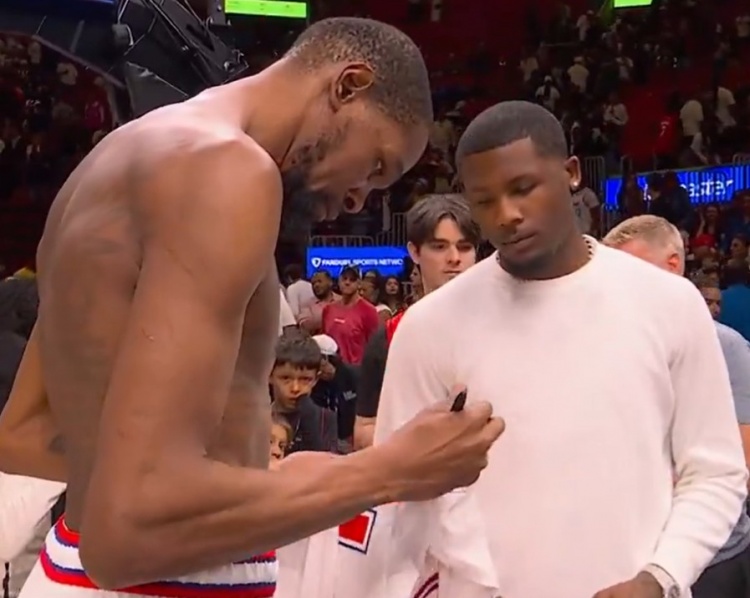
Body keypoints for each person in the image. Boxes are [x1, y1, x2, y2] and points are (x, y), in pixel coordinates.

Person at [0, 18, 503, 598]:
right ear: (348, 85)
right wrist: (388, 472)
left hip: (76, 572)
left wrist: (253, 481)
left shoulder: (120, 155)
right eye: (376, 166)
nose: (359, 199)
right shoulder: (227, 168)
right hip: (160, 584)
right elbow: (129, 531)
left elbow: (26, 431)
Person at [370, 101, 747, 598]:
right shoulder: (429, 327)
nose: (507, 215)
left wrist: (660, 576)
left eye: (523, 188)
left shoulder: (668, 302)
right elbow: (397, 494)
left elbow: (716, 472)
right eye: (485, 201)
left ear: (571, 173)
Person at [603, 214, 750, 598]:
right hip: (633, 558)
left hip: (714, 559)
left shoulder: (725, 346)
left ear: (672, 267)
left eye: (630, 271)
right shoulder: (607, 346)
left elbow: (739, 462)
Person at [354, 193, 480, 449]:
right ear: (414, 252)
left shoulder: (505, 327)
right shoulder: (391, 335)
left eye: (465, 246)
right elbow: (364, 431)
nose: (454, 257)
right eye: (439, 246)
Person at [321, 266, 379, 365]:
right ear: (339, 281)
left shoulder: (369, 311)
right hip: (331, 369)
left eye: (352, 280)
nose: (347, 282)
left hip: (356, 369)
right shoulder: (328, 309)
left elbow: (375, 346)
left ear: (359, 283)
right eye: (344, 279)